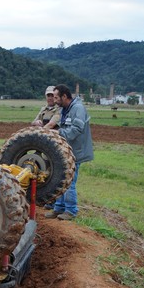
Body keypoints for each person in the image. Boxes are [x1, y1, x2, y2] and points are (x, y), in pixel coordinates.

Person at [45, 84, 94, 221]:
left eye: (56, 97)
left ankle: (71, 210)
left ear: (64, 96)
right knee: (61, 179)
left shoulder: (77, 109)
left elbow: (77, 129)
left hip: (76, 152)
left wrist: (59, 133)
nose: (54, 100)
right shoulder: (65, 109)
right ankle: (59, 208)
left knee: (69, 181)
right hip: (67, 150)